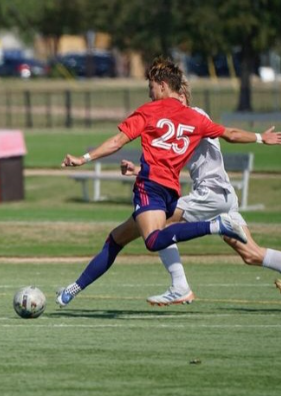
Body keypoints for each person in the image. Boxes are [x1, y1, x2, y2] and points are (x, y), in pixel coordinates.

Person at [55, 57, 281, 307]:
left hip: (198, 194)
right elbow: (223, 136)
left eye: (151, 87)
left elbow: (118, 141)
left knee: (154, 237)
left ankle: (182, 282)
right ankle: (72, 290)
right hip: (216, 195)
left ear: (164, 86)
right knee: (251, 254)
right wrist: (261, 137)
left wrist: (84, 158)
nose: (150, 94)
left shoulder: (180, 113)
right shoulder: (194, 120)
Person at [119, 79, 281, 305]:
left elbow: (231, 133)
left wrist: (260, 138)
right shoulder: (183, 124)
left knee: (159, 223)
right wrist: (139, 170)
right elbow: (169, 162)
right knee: (251, 254)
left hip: (211, 195)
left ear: (182, 97)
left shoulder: (193, 116)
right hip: (224, 197)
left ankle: (180, 287)